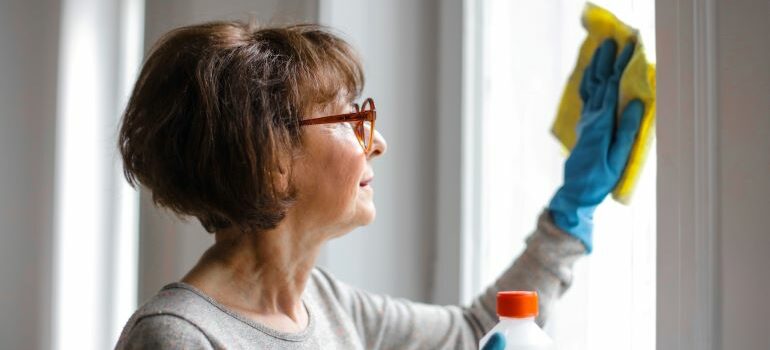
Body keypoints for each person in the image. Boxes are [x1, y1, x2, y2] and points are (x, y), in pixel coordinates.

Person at [114, 21, 641, 349]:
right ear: (271, 157)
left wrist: (571, 211)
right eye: (349, 119)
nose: (378, 142)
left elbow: (475, 333)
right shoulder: (178, 338)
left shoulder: (325, 304)